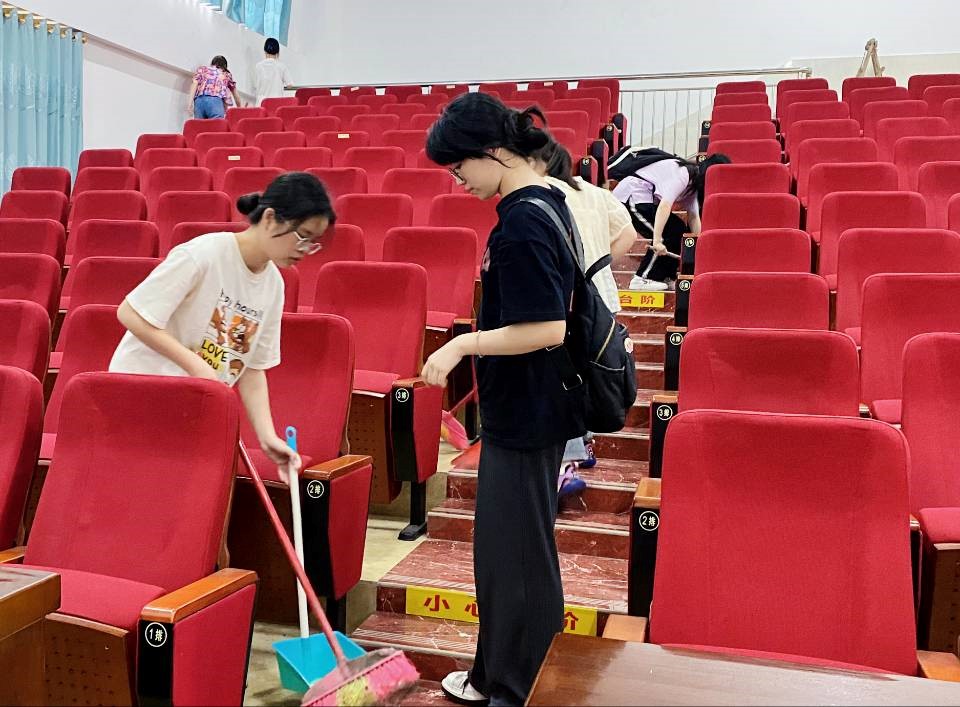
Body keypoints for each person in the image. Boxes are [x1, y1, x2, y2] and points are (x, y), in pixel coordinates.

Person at [421, 93, 586, 706]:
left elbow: (547, 327)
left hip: (529, 410)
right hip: (527, 408)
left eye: (459, 166)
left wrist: (462, 344)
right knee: (508, 551)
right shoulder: (541, 203)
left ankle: (516, 690)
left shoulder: (524, 221)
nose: (457, 180)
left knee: (515, 556)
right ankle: (496, 675)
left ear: (492, 151)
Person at [109, 172, 336, 479]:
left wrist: (268, 437)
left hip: (194, 409)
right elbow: (131, 313)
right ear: (270, 218)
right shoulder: (203, 254)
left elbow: (252, 369)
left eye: (313, 243)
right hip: (140, 399)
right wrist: (196, 365)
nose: (305, 249)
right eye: (302, 236)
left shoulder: (274, 285)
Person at [528, 139, 637, 497]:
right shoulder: (595, 192)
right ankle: (583, 443)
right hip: (600, 293)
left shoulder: (540, 193)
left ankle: (567, 462)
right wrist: (599, 265)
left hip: (566, 299)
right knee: (593, 370)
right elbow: (629, 233)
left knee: (564, 374)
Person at [614, 152, 730, 291]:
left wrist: (699, 247)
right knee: (666, 233)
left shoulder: (693, 186)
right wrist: (657, 240)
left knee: (678, 231)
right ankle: (642, 278)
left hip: (645, 198)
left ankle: (665, 276)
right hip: (631, 195)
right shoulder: (684, 174)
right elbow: (664, 206)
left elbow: (693, 217)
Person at [189, 55, 243, 119]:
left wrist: (190, 103)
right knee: (216, 124)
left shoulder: (202, 69)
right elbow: (236, 96)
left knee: (199, 125)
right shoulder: (226, 74)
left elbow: (194, 83)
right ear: (225, 66)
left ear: (212, 63)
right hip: (215, 101)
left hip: (199, 101)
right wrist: (241, 110)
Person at [255, 37, 293, 106]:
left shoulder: (258, 66)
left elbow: (256, 85)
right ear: (277, 52)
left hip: (261, 103)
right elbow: (290, 85)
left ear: (265, 51)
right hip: (276, 103)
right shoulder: (282, 66)